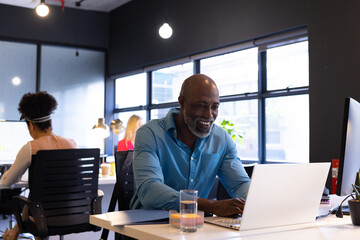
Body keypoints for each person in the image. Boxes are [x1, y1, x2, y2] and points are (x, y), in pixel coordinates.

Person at [130, 74, 251, 217]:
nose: (208, 115)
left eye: (214, 107)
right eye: (200, 106)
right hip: (148, 223)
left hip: (196, 224)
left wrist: (251, 204)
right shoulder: (151, 133)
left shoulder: (221, 139)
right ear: (182, 102)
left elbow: (239, 184)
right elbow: (149, 189)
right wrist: (211, 206)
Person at [1, 91, 77, 240]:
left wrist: (6, 174)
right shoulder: (72, 144)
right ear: (51, 123)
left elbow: (7, 181)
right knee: (35, 196)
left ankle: (13, 233)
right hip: (73, 212)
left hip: (42, 215)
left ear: (31, 125)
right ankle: (14, 232)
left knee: (34, 200)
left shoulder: (31, 147)